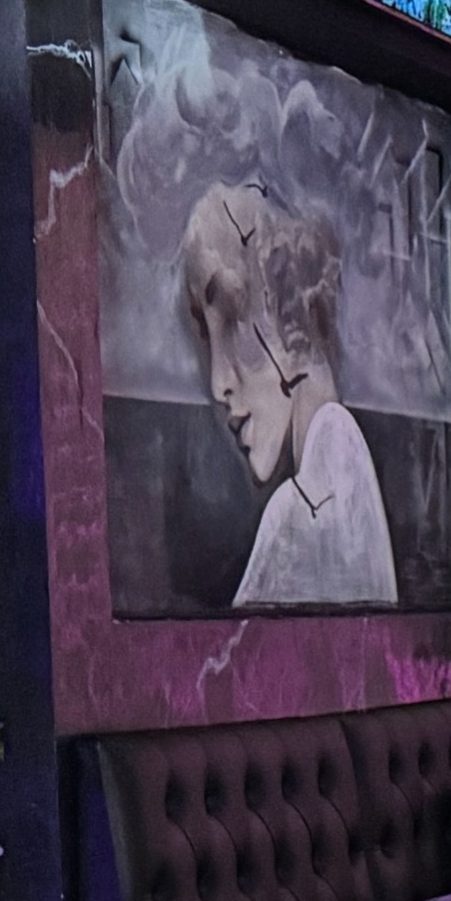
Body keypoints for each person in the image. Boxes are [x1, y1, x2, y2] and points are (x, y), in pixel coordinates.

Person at [178, 182, 398, 608]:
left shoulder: (297, 517)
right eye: (209, 337)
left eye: (234, 323)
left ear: (294, 319)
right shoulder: (351, 471)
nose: (218, 383)